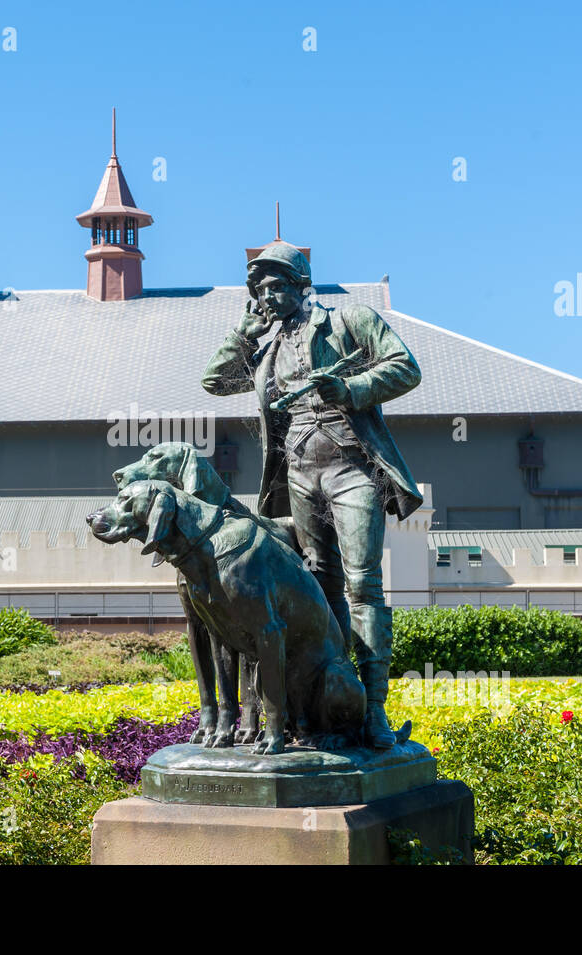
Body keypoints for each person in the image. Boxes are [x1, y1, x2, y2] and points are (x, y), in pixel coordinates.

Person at [201, 242, 422, 748]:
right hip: (298, 475)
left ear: (303, 286)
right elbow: (214, 380)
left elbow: (404, 367)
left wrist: (349, 390)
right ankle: (327, 700)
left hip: (351, 468)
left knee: (362, 584)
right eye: (260, 291)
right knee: (317, 590)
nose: (268, 297)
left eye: (277, 286)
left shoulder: (349, 320)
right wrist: (243, 333)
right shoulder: (267, 348)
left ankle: (374, 713)